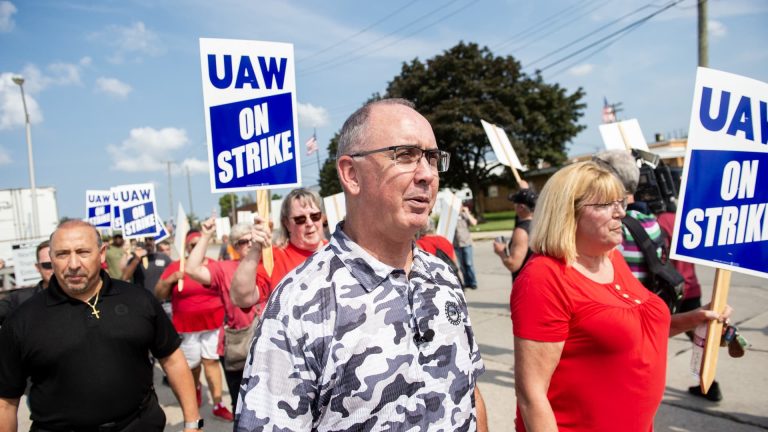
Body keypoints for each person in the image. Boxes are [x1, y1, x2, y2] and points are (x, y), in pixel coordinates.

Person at [235, 98, 487, 431]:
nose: (427, 174)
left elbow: (470, 393)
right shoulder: (300, 303)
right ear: (352, 174)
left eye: (432, 158)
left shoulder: (442, 276)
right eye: (406, 155)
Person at [510, 161, 732, 431]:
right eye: (604, 205)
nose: (619, 213)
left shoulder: (611, 258)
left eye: (620, 202)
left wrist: (693, 319)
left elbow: (630, 332)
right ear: (567, 213)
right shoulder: (544, 277)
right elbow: (531, 393)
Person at [0, 220, 203, 431]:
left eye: (83, 252)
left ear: (102, 253)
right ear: (51, 259)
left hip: (140, 424)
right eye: (62, 254)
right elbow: (5, 402)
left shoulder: (139, 300)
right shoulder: (22, 320)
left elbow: (172, 360)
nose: (73, 264)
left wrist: (193, 422)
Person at [185, 220, 264, 415]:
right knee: (242, 405)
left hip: (270, 343)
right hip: (238, 346)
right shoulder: (223, 268)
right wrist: (205, 235)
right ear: (234, 246)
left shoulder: (270, 261)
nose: (248, 245)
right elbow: (192, 269)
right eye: (242, 242)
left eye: (251, 240)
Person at [155, 230, 233, 421]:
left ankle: (218, 404)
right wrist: (170, 280)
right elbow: (158, 294)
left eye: (200, 244)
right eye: (192, 245)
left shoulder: (214, 265)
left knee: (211, 362)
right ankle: (196, 387)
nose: (196, 247)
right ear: (187, 248)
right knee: (193, 364)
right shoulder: (176, 266)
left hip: (213, 323)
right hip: (187, 327)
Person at [230, 187, 327, 311]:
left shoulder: (338, 250)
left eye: (315, 216)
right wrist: (255, 250)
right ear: (286, 223)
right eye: (300, 219)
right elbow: (241, 298)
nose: (309, 223)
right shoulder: (274, 258)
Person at [0, 241, 53, 326]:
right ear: (38, 267)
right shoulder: (19, 300)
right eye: (47, 265)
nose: (54, 269)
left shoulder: (80, 297)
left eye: (57, 263)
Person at [493, 183, 537, 282]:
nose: (514, 206)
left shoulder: (521, 231)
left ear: (520, 207)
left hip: (524, 283)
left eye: (515, 203)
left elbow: (513, 265)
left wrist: (501, 252)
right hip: (537, 280)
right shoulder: (540, 225)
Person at [454, 201, 479, 289]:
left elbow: (474, 223)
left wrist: (467, 212)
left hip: (467, 243)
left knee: (469, 264)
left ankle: (473, 282)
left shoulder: (465, 215)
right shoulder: (452, 217)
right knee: (462, 265)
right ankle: (466, 282)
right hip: (457, 244)